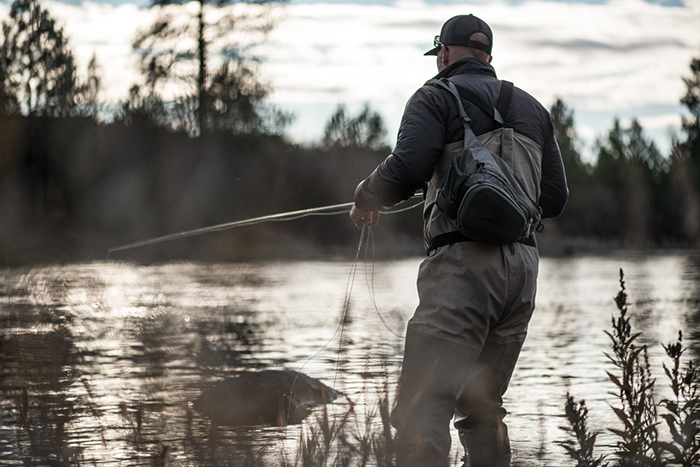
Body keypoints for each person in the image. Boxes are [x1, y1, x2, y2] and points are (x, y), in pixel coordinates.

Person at [349, 14, 568, 467]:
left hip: (464, 268)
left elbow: (407, 168)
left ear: (443, 54)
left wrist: (365, 195)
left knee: (424, 403)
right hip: (523, 273)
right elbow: (555, 198)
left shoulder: (434, 96)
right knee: (481, 404)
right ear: (488, 56)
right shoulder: (532, 107)